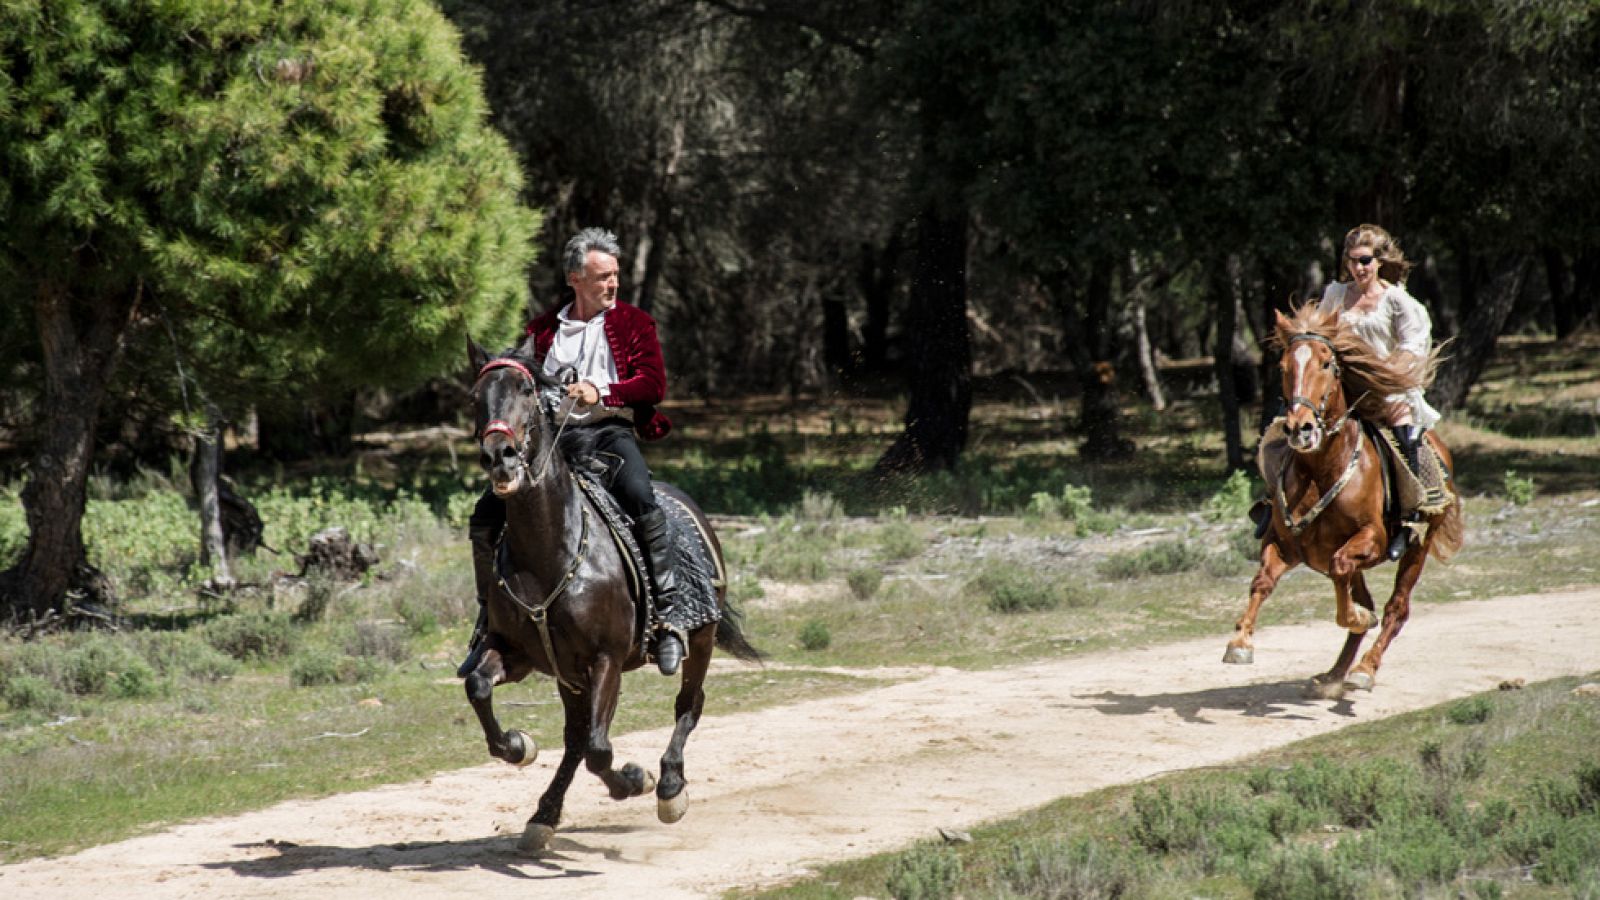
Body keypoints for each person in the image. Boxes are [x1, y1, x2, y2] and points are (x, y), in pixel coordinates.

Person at [460, 227, 685, 677]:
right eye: (603, 276)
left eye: (615, 275)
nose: (613, 284)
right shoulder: (541, 331)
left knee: (640, 495)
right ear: (575, 278)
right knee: (485, 517)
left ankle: (666, 618)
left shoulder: (635, 324)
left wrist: (601, 391)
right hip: (550, 446)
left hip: (607, 436)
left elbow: (653, 384)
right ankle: (488, 624)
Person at [1315, 223, 1441, 559]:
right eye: (1353, 260)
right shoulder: (1335, 296)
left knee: (1403, 431)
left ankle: (1409, 518)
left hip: (1385, 389)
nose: (1359, 268)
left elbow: (1414, 344)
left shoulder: (1398, 302)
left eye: (1365, 260)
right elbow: (1319, 334)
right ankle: (1276, 505)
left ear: (1379, 261)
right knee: (1298, 421)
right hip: (1344, 388)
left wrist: (1389, 376)